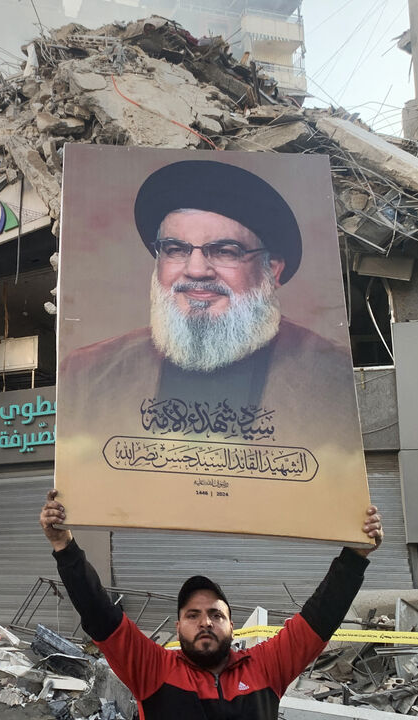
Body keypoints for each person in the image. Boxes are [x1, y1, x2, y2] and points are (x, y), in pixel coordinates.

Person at [58, 159, 361, 486]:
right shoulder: (88, 375)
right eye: (175, 249)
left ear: (271, 270)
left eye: (225, 251)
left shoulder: (331, 374)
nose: (197, 270)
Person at [40, 490, 382, 719]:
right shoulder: (154, 669)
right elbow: (100, 614)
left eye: (216, 614)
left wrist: (355, 557)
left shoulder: (265, 668)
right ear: (178, 627)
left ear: (233, 626)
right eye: (193, 614)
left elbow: (319, 618)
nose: (205, 622)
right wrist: (63, 546)